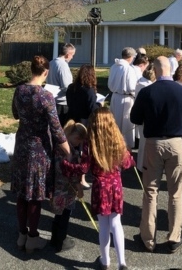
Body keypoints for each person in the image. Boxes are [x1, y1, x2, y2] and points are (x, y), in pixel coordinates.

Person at [130, 56, 182, 253]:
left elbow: (135, 117)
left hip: (154, 143)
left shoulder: (147, 91)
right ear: (170, 69)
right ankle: (174, 236)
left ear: (156, 71)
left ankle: (148, 238)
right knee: (176, 192)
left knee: (151, 190)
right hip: (176, 143)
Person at [11, 55, 71, 253]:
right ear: (45, 72)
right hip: (39, 149)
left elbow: (15, 114)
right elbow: (56, 128)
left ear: (31, 70)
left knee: (22, 192)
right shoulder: (45, 96)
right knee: (35, 195)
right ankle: (33, 238)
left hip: (21, 146)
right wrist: (68, 150)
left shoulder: (19, 90)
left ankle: (21, 235)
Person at [62, 107, 134, 270]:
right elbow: (127, 163)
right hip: (116, 185)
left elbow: (84, 168)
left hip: (100, 186)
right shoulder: (118, 140)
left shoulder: (89, 143)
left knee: (104, 225)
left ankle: (105, 260)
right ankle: (122, 262)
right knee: (116, 222)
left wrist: (67, 165)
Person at [50, 120, 87, 253]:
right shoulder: (73, 153)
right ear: (77, 138)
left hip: (57, 187)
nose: (79, 145)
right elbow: (73, 174)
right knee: (65, 216)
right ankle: (61, 241)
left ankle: (54, 238)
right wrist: (79, 188)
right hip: (68, 191)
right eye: (79, 142)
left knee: (57, 215)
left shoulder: (58, 147)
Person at [108, 47, 138, 149]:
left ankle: (114, 143)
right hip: (125, 98)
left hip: (115, 97)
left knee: (115, 123)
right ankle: (125, 147)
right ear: (131, 57)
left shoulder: (113, 66)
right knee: (126, 126)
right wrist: (136, 95)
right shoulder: (128, 69)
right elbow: (131, 87)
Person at [134, 64, 156, 174]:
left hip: (142, 115)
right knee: (146, 143)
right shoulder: (147, 86)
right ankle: (144, 166)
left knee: (143, 143)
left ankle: (141, 165)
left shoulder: (140, 81)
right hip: (147, 116)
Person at [46, 43, 76, 126]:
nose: (72, 57)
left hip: (52, 100)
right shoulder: (63, 66)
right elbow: (67, 86)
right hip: (62, 103)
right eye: (72, 55)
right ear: (67, 54)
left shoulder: (51, 62)